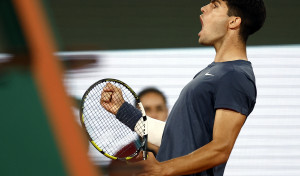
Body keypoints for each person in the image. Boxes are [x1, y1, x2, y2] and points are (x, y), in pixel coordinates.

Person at [101, 0, 266, 175]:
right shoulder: (211, 73)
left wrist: (162, 169)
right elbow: (177, 136)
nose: (204, 8)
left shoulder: (235, 75)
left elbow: (221, 148)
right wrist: (122, 110)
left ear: (233, 21)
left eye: (215, 5)